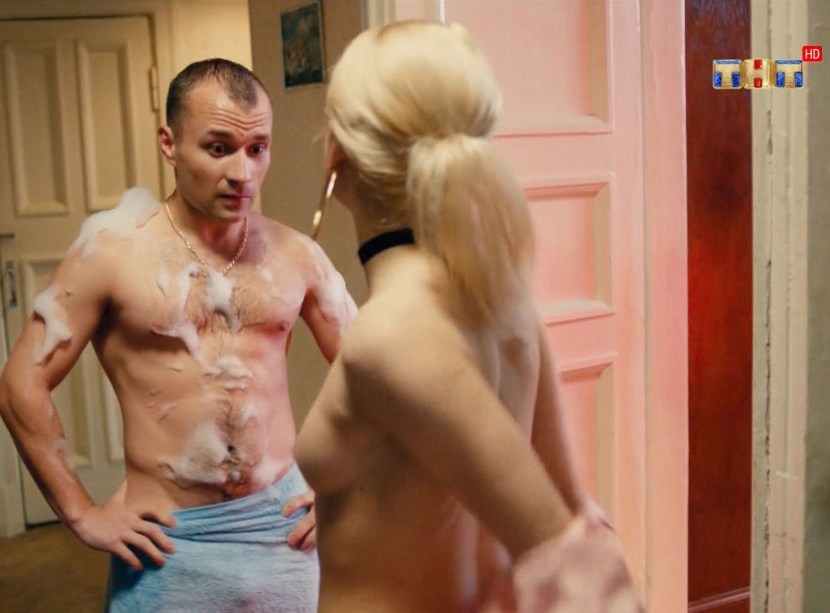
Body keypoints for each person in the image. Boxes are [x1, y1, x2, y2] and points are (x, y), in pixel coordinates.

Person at [296, 21, 642, 612]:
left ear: (337, 152)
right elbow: (576, 512)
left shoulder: (391, 334)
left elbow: (580, 574)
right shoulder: (503, 306)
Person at [0, 58, 355, 611]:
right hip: (168, 543)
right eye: (218, 148)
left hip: (281, 532)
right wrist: (81, 513)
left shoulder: (296, 255)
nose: (242, 172)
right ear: (169, 144)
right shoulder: (112, 255)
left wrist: (348, 485)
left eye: (257, 148)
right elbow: (21, 383)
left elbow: (374, 372)